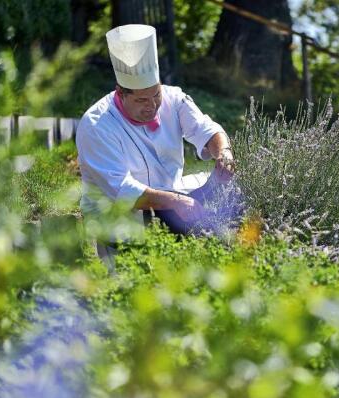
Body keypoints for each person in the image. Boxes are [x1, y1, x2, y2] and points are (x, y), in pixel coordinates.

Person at [76, 24, 236, 267]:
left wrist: (224, 153)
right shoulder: (96, 124)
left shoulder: (174, 98)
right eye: (141, 100)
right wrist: (176, 202)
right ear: (121, 92)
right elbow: (122, 191)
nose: (152, 106)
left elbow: (207, 129)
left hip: (171, 207)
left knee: (232, 193)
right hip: (121, 220)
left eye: (156, 95)